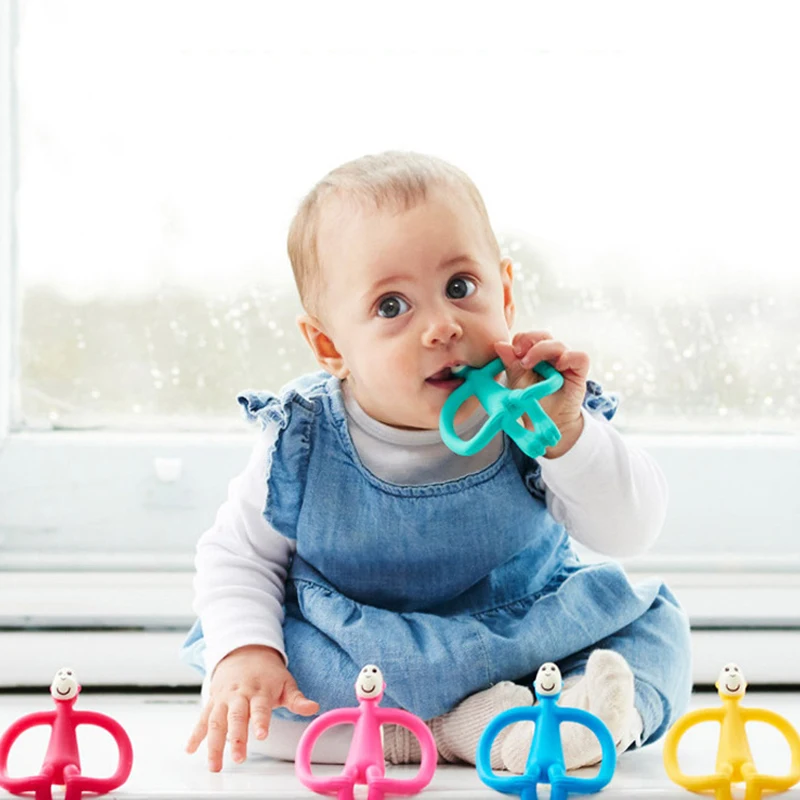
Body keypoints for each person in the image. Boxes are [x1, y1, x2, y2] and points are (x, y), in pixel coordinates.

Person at [181, 151, 692, 774]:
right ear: (329, 345)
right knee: (247, 685)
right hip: (366, 657)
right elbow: (238, 556)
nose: (442, 326)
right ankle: (457, 733)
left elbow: (630, 533)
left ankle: (592, 721)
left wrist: (569, 438)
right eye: (391, 307)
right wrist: (247, 653)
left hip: (525, 637)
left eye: (460, 288)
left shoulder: (536, 409)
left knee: (656, 628)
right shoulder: (302, 438)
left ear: (505, 293)